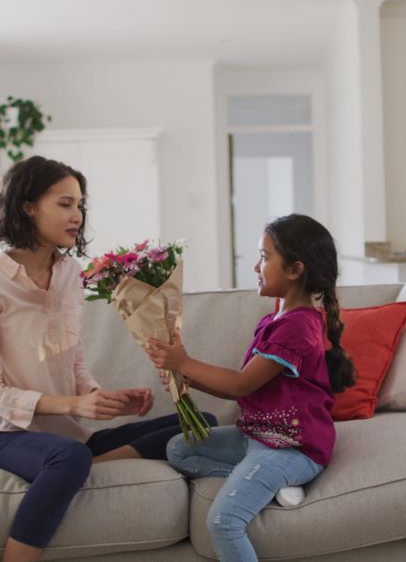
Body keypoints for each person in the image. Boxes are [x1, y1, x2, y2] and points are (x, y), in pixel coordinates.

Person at [0, 155, 216, 562]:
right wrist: (76, 405)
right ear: (28, 206)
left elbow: (73, 359)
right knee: (71, 456)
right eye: (64, 204)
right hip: (6, 435)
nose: (76, 215)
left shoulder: (69, 275)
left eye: (80, 205)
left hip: (70, 433)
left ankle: (77, 471)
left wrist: (99, 398)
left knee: (203, 424)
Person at [145, 213, 355, 561]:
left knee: (224, 522)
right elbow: (247, 387)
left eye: (264, 257)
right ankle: (274, 486)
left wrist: (184, 361)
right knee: (179, 450)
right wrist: (185, 376)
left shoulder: (298, 329)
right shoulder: (273, 321)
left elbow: (242, 384)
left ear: (294, 269)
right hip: (256, 436)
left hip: (293, 447)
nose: (257, 266)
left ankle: (274, 479)